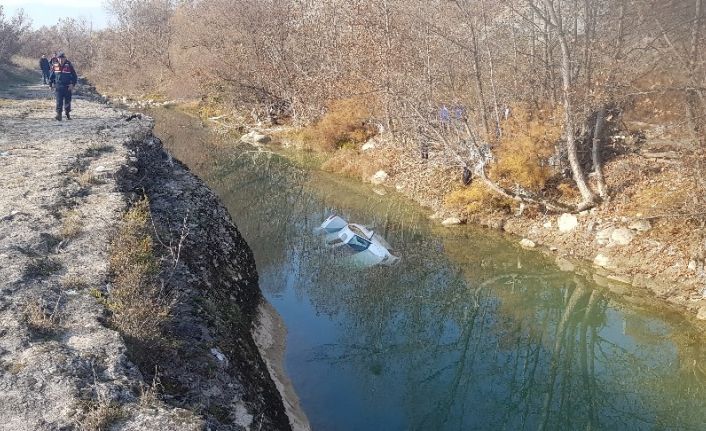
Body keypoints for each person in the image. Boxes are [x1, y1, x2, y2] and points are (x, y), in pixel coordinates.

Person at [49, 52, 77, 121]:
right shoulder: (55, 65)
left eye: (62, 58)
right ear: (57, 59)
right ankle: (59, 115)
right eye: (59, 58)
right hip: (58, 86)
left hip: (68, 86)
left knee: (67, 101)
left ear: (65, 58)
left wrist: (72, 84)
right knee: (59, 101)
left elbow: (75, 76)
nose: (61, 60)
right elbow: (51, 76)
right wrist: (50, 84)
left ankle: (67, 114)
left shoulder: (69, 65)